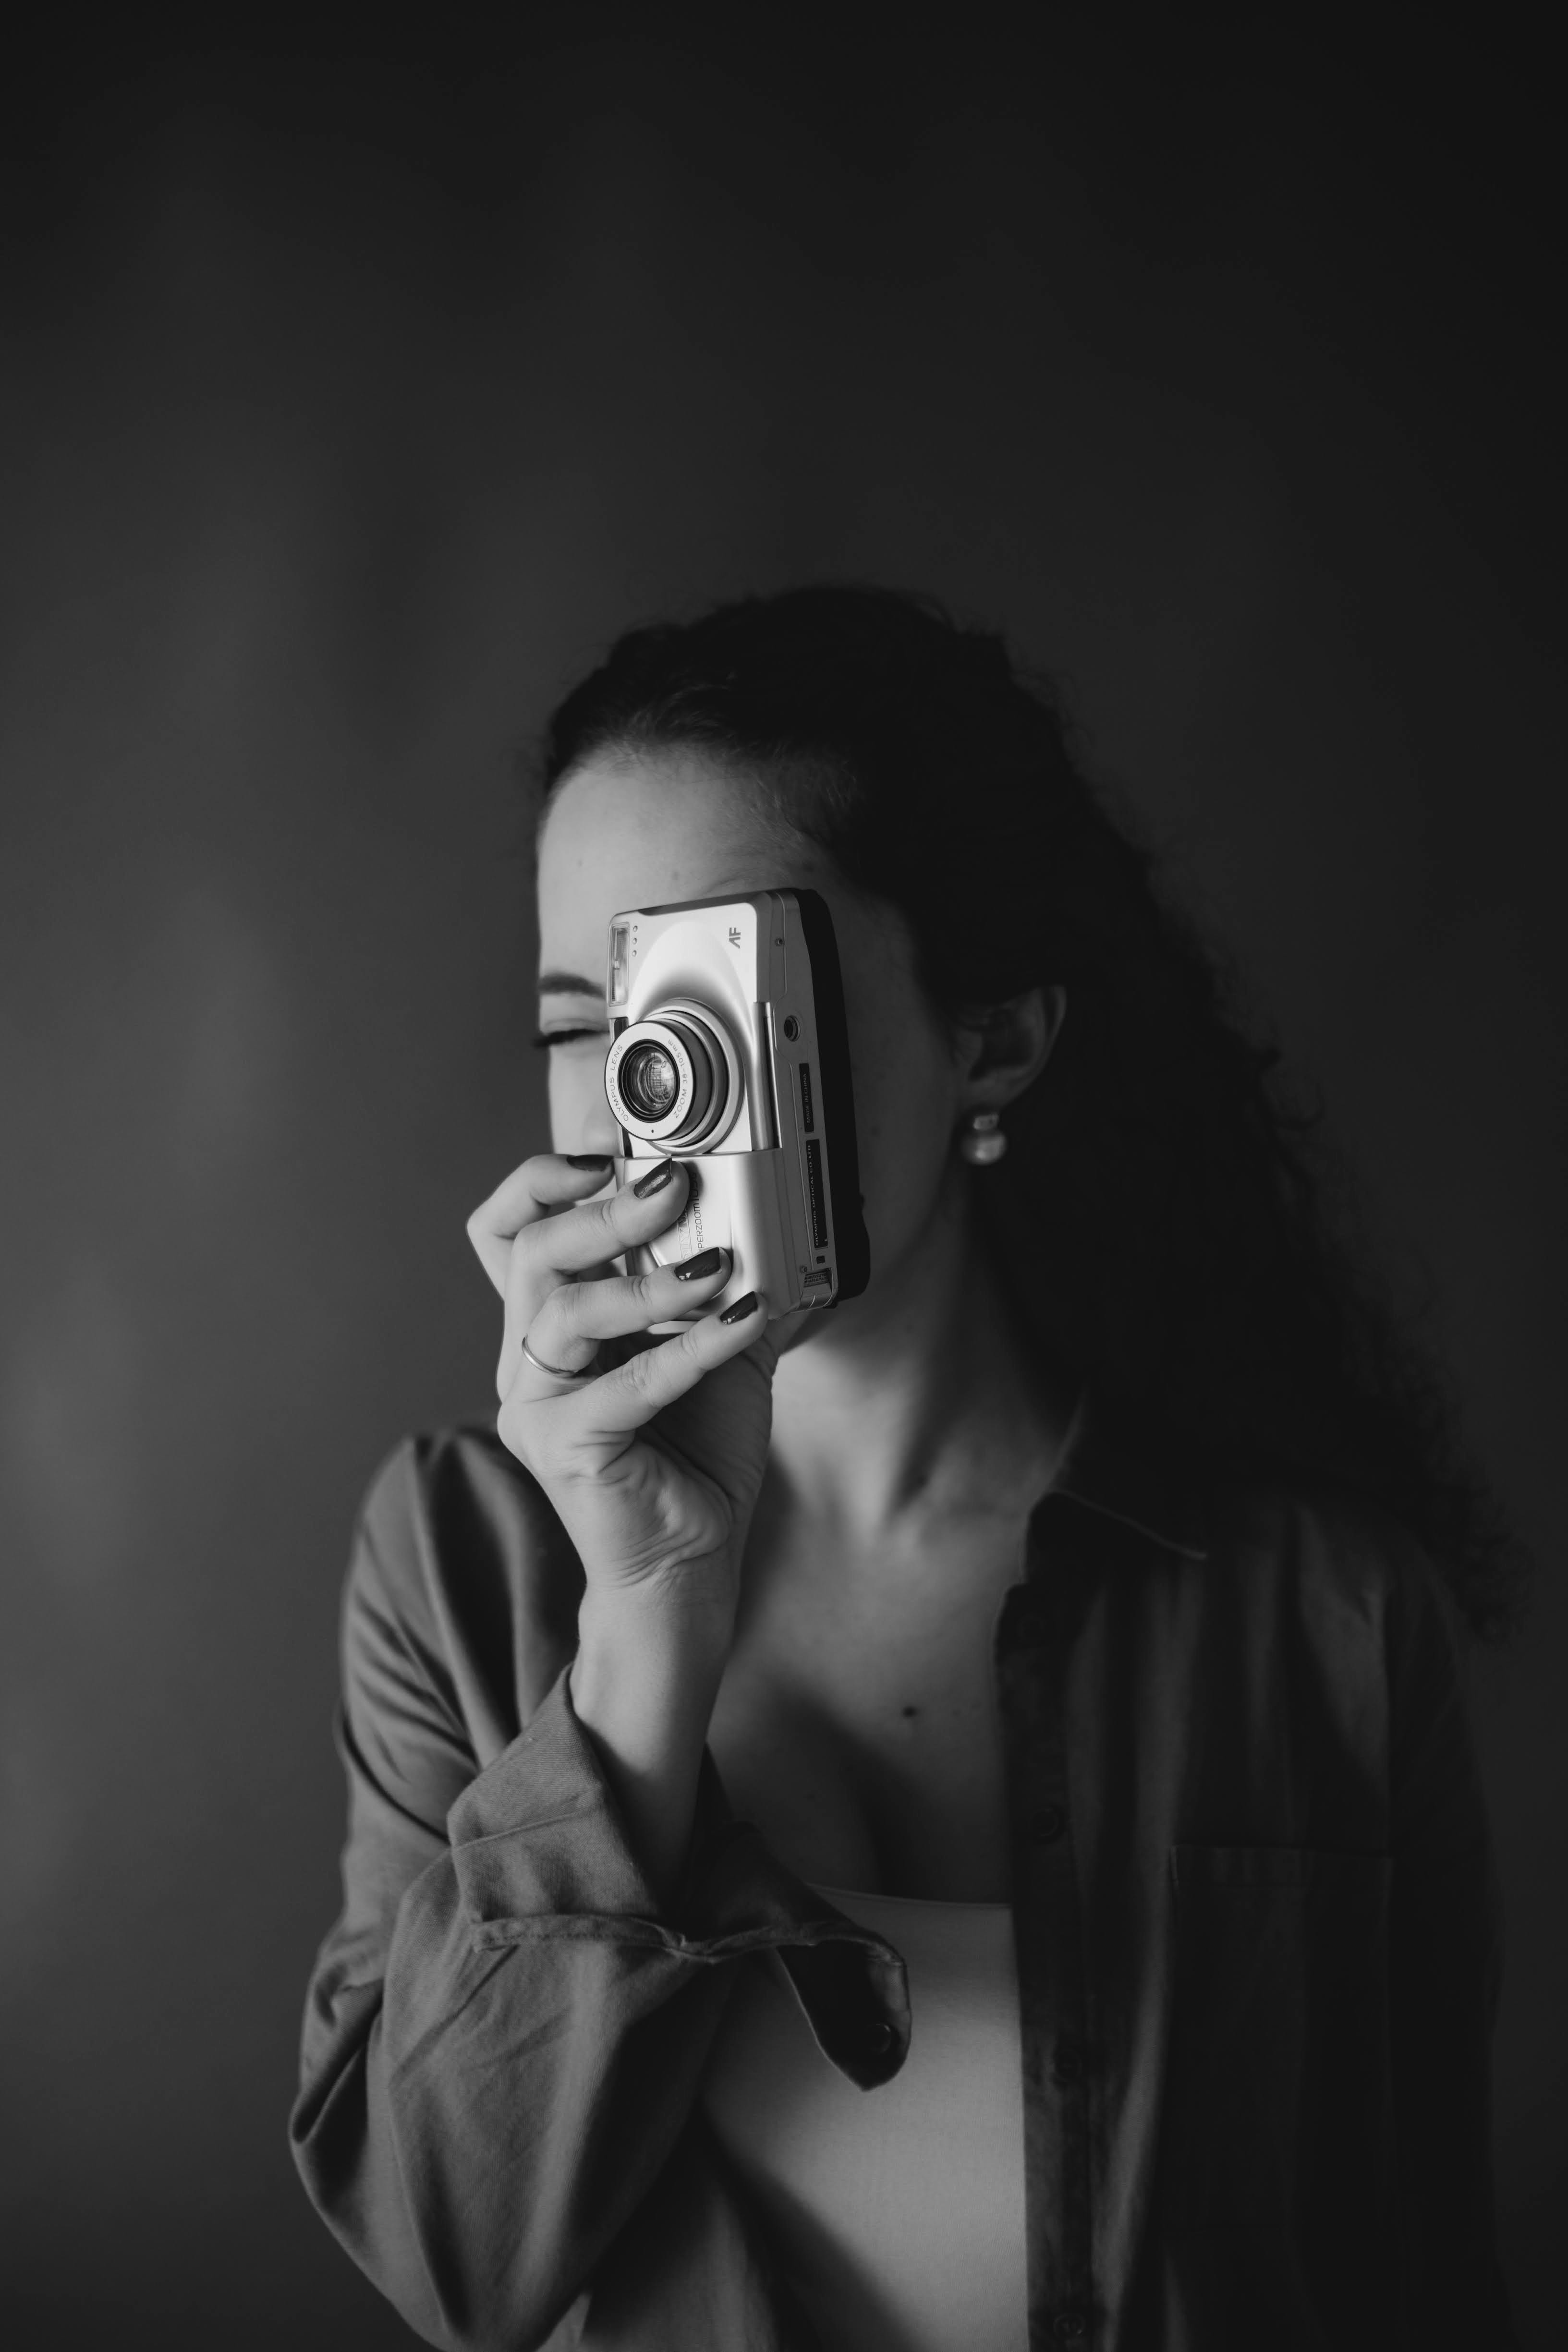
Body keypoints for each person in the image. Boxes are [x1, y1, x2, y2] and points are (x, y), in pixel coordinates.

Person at [290, 586, 1522, 2350]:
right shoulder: (454, 1553)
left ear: (993, 1040)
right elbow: (448, 2260)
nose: (651, 1090)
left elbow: (1416, 2276)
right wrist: (641, 1632)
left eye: (714, 992)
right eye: (591, 1022)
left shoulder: (1320, 1611)